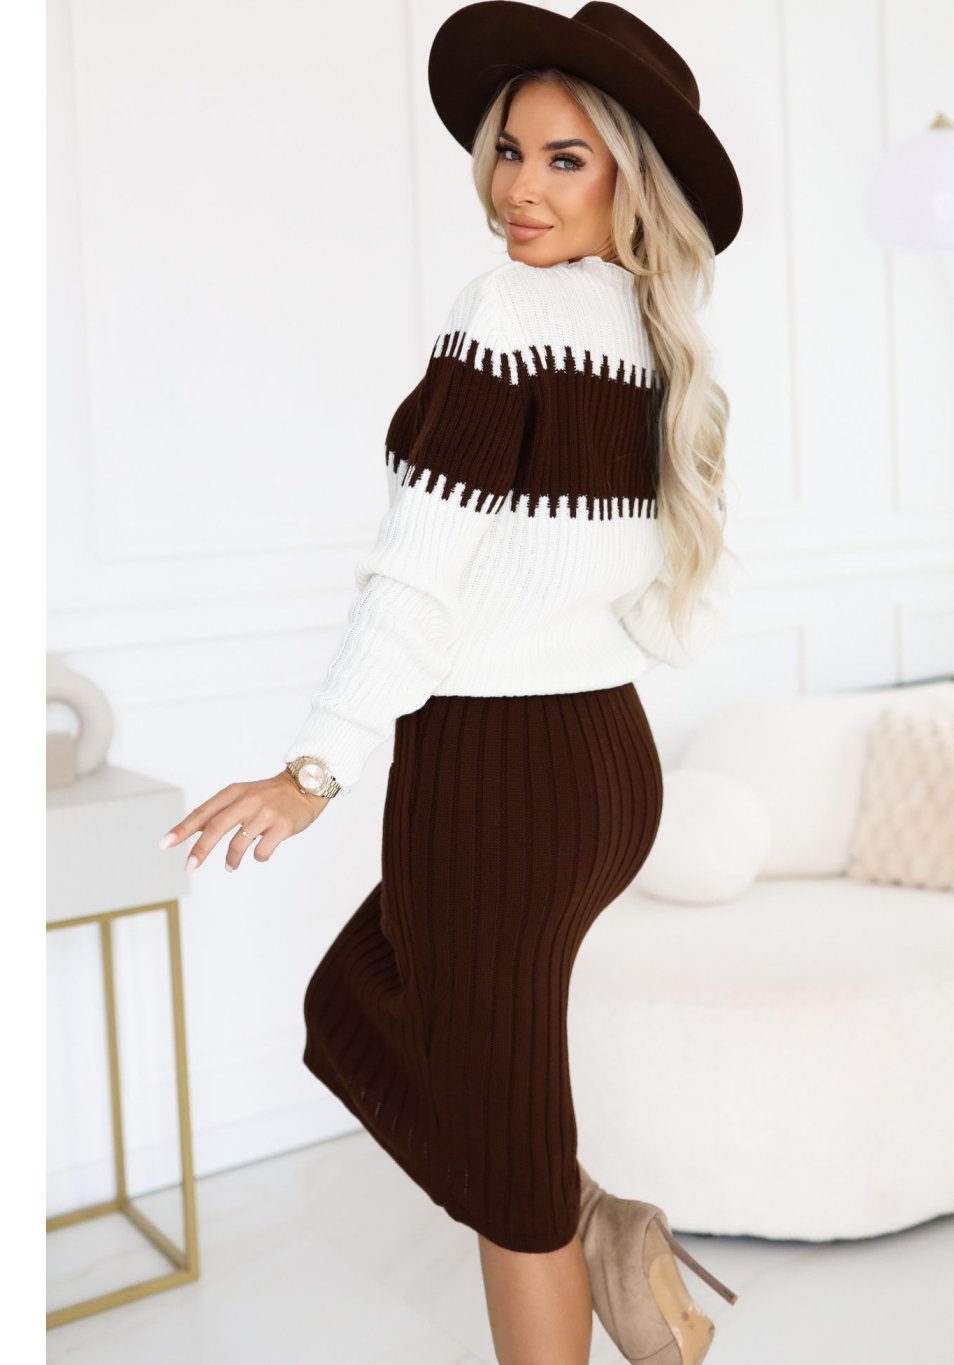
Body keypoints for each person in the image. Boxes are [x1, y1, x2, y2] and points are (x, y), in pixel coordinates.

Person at [158, 4, 744, 1361]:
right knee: (360, 1014)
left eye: (565, 161)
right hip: (607, 771)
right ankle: (597, 1224)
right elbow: (643, 594)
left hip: (494, 777)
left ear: (631, 183)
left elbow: (414, 577)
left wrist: (315, 768)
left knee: (509, 1157)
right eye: (509, 151)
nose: (517, 189)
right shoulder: (659, 343)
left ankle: (573, 1219)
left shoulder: (508, 314)